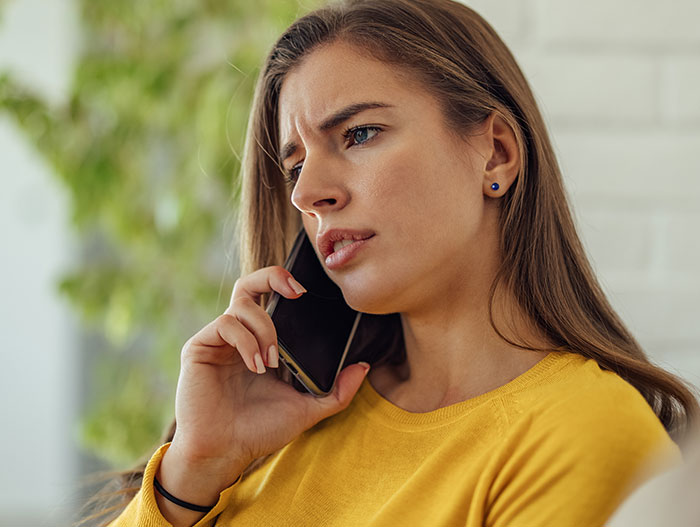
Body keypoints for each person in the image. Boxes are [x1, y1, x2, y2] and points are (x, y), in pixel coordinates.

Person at [79, 0, 699, 526]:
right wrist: (191, 472)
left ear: (496, 154)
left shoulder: (581, 434)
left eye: (359, 134)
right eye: (295, 166)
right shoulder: (269, 426)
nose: (306, 193)